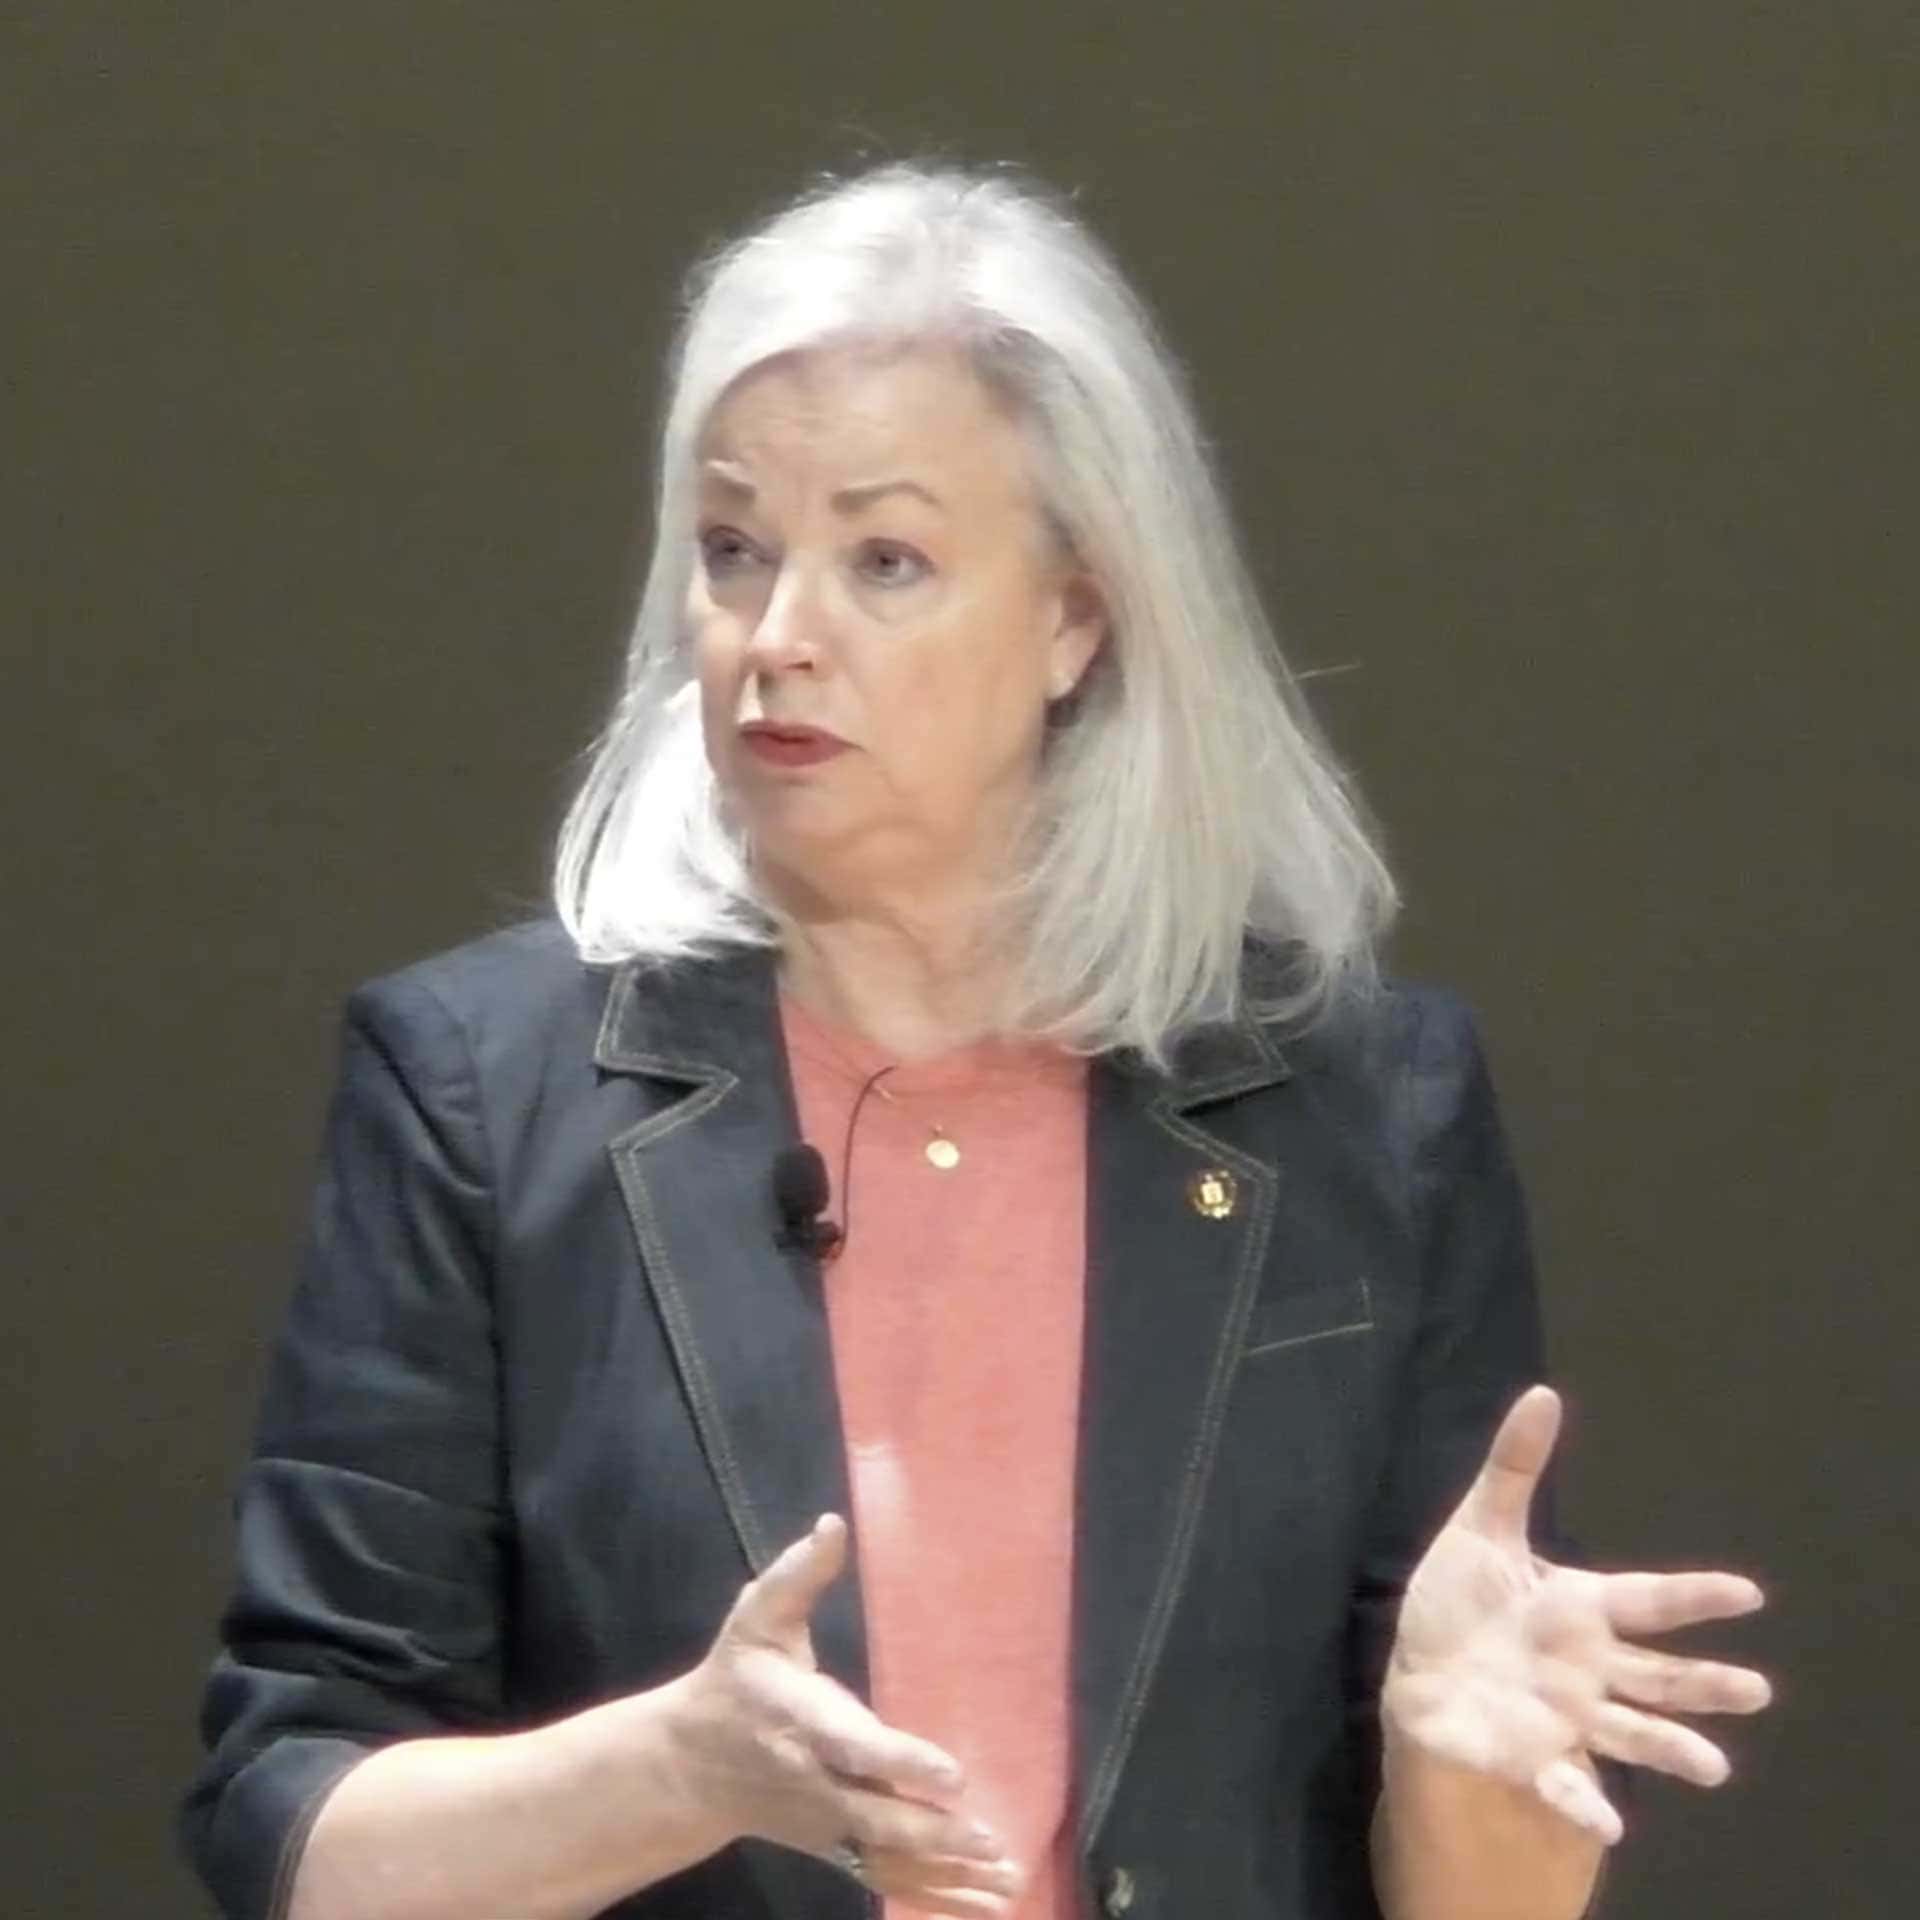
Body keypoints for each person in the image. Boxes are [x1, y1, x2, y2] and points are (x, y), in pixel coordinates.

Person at [182, 161, 1773, 1920]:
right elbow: (295, 1830)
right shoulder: (480, 1096)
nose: (776, 639)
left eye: (886, 561)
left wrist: (1485, 1790)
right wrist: (678, 1772)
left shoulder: (1366, 1115)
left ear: (1077, 615)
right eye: (731, 549)